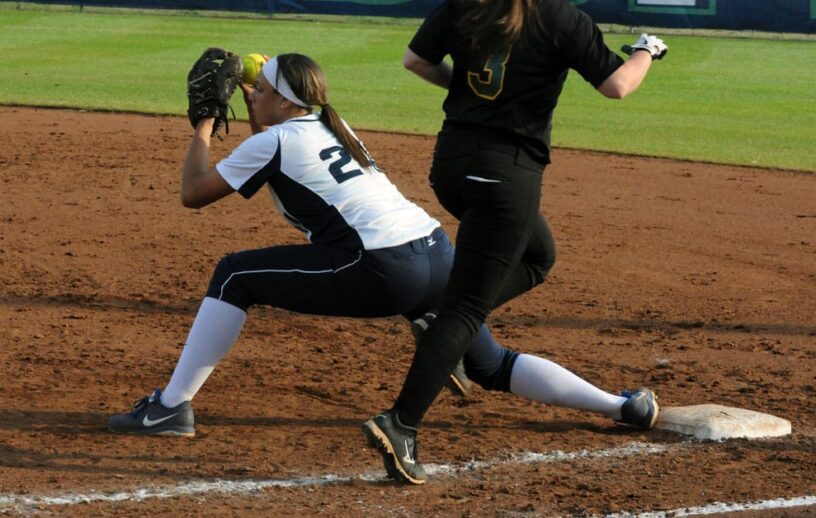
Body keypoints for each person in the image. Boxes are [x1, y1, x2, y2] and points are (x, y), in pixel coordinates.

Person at [106, 52, 658, 481]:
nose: (251, 96)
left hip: (381, 268)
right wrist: (255, 104)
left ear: (283, 103)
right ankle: (621, 406)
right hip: (438, 254)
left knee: (233, 275)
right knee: (488, 363)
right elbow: (276, 153)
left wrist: (202, 124)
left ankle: (170, 408)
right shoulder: (333, 130)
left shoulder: (274, 140)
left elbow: (193, 193)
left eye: (261, 91)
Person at [361, 0, 666, 484]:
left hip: (452, 164)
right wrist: (648, 50)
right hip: (506, 176)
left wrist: (462, 85)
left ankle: (446, 328)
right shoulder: (563, 18)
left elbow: (415, 60)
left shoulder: (467, 6)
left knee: (538, 254)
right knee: (464, 310)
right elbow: (619, 85)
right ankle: (401, 423)